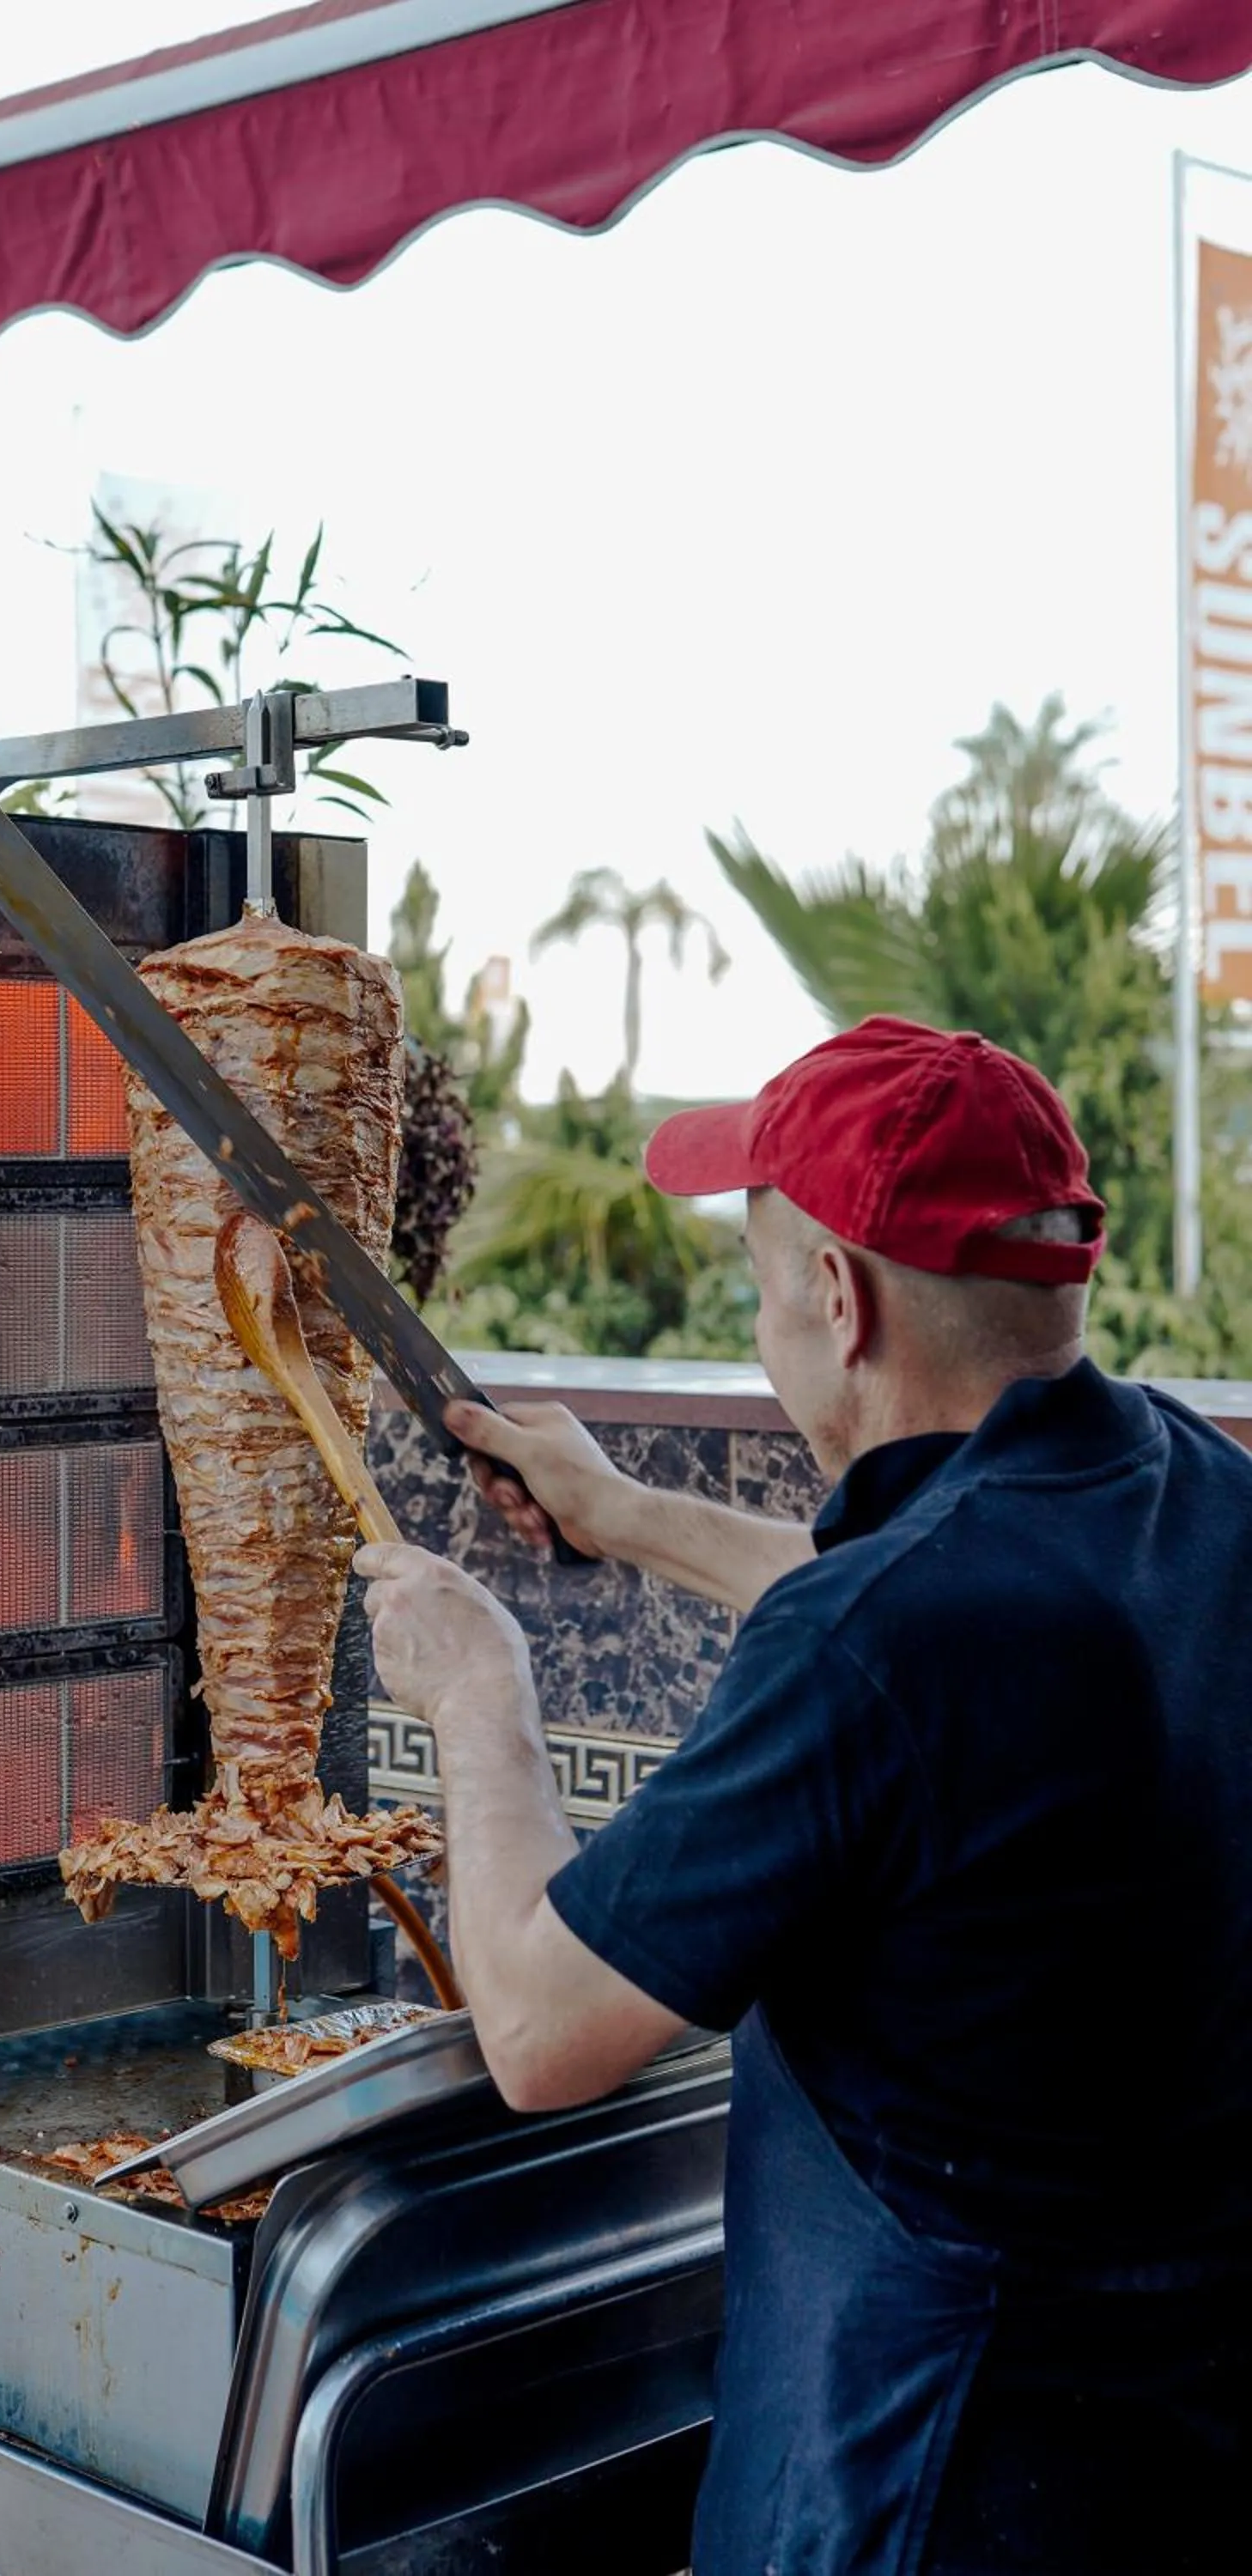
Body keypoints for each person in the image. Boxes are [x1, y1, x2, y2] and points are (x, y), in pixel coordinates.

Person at [356, 1015, 1252, 2576]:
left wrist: (478, 1699)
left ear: (837, 1300)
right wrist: (626, 1514)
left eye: (763, 1279)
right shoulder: (1198, 1494)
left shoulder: (881, 1642)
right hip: (1175, 2469)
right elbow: (942, 1626)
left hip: (916, 2491)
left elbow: (542, 2031)